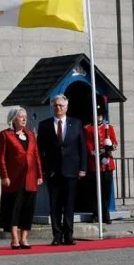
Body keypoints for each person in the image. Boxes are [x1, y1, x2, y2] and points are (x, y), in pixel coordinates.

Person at [37, 94, 87, 246]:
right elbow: (40, 150)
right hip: (52, 171)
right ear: (52, 107)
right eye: (56, 106)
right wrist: (42, 170)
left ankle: (69, 235)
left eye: (61, 105)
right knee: (55, 205)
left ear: (66, 107)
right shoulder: (45, 125)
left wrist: (83, 168)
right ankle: (57, 235)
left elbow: (82, 147)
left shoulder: (76, 123)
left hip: (71, 170)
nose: (58, 108)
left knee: (69, 204)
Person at [0, 107, 43, 249]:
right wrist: (4, 175)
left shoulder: (30, 135)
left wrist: (40, 175)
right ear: (13, 119)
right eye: (21, 116)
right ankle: (14, 239)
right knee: (13, 208)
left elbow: (36, 156)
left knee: (28, 208)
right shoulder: (5, 135)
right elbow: (1, 157)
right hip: (13, 178)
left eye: (25, 116)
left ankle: (24, 238)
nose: (24, 119)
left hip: (30, 177)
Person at [84, 105, 117, 224]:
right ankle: (95, 214)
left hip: (108, 165)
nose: (98, 118)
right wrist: (99, 151)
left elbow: (115, 143)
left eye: (100, 115)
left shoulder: (109, 128)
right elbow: (89, 146)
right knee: (94, 192)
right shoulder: (88, 129)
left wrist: (109, 147)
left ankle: (106, 214)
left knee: (106, 191)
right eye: (97, 115)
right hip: (95, 164)